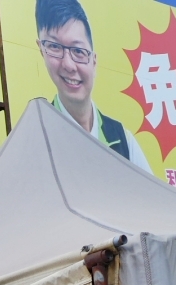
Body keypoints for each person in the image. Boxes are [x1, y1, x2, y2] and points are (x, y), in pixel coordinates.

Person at [36, 0, 150, 171]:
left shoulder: (123, 141)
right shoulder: (37, 141)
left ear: (94, 61)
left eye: (78, 51)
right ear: (41, 50)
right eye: (54, 47)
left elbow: (151, 197)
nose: (68, 64)